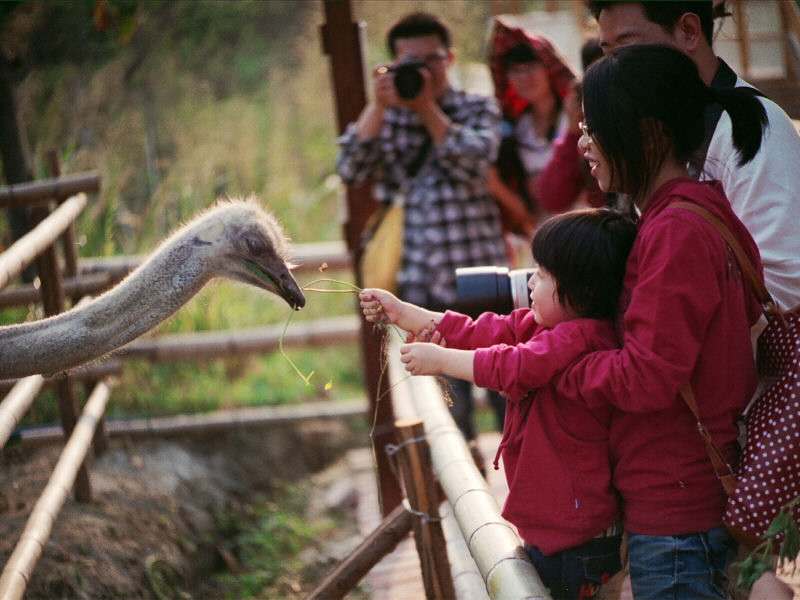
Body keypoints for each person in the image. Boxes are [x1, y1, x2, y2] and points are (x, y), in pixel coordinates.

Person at [560, 44, 767, 599]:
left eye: (593, 127)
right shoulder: (701, 211)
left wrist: (561, 368)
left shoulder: (675, 232)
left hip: (675, 512)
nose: (583, 143)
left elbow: (649, 375)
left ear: (646, 134)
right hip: (692, 495)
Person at [360, 207, 637, 600]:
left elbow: (514, 365)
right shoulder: (545, 326)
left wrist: (440, 361)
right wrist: (406, 313)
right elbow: (487, 331)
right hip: (554, 529)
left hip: (579, 542)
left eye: (541, 276)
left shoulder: (580, 339)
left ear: (580, 292)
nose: (529, 285)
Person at [336, 12, 507, 442]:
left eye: (429, 61)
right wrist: (378, 105)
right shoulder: (389, 118)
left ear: (449, 58)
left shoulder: (475, 107)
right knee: (449, 405)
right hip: (422, 281)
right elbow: (351, 168)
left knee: (507, 387)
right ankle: (464, 489)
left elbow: (476, 159)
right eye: (408, 65)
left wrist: (427, 107)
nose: (421, 73)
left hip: (481, 277)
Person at [588, 0, 800, 311]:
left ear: (688, 31)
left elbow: (787, 286)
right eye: (608, 52)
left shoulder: (751, 126)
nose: (617, 65)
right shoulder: (652, 129)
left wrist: (666, 313)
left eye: (628, 47)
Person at [486, 21, 579, 236]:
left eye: (530, 67)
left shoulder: (575, 116)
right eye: (516, 70)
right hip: (543, 235)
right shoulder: (515, 129)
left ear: (549, 68)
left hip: (585, 227)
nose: (524, 77)